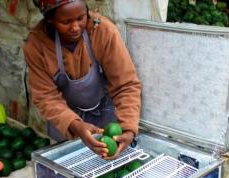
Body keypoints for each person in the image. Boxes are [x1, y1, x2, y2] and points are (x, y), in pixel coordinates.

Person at [23, 0, 141, 159]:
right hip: (65, 116)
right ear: (50, 20)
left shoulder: (103, 31)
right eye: (66, 22)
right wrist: (75, 126)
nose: (75, 27)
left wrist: (128, 129)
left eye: (81, 18)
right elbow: (46, 97)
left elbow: (125, 85)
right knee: (69, 166)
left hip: (105, 110)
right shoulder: (37, 44)